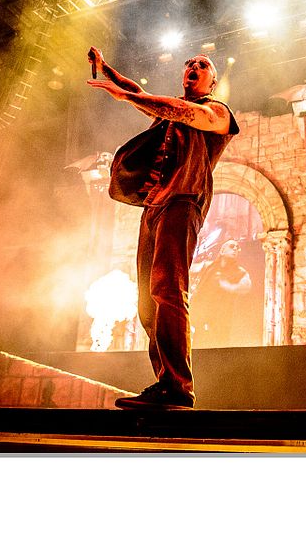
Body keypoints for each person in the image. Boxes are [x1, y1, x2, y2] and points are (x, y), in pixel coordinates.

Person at [87, 47, 238, 409]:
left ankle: (178, 387)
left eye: (202, 65)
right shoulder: (165, 114)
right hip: (154, 206)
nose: (193, 67)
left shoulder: (217, 113)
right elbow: (141, 95)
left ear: (212, 82)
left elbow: (180, 110)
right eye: (189, 64)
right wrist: (108, 70)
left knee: (168, 289)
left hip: (183, 201)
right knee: (147, 301)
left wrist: (128, 96)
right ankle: (164, 384)